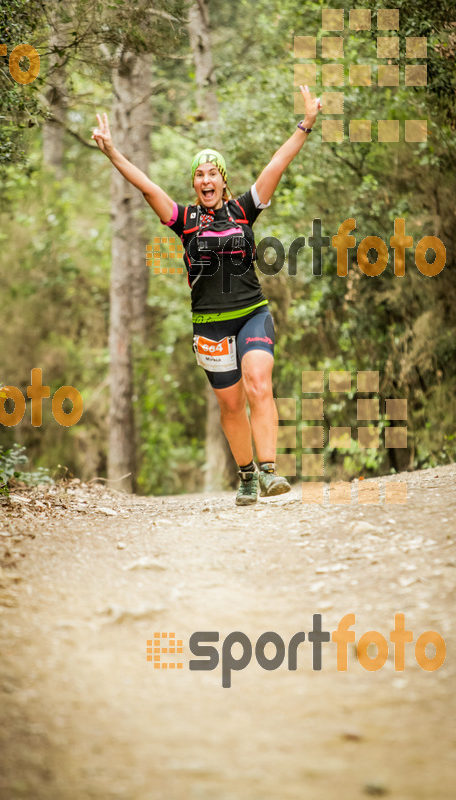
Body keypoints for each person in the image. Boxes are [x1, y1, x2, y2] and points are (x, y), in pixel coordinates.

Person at [92, 85, 321, 506]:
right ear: (194, 184)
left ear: (223, 179)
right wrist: (112, 151)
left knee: (258, 383)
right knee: (231, 406)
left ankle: (269, 471)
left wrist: (305, 122)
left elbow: (278, 162)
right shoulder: (185, 219)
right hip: (209, 325)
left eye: (212, 172)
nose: (206, 179)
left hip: (252, 312)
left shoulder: (244, 209)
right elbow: (146, 187)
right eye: (199, 174)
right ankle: (247, 475)